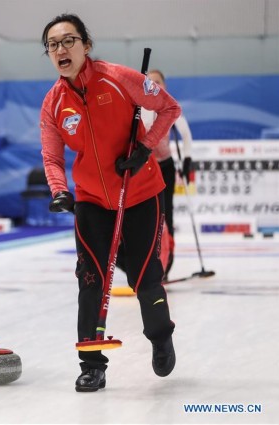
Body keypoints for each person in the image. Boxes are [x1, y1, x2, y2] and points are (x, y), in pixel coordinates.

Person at [39, 14, 180, 392]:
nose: (61, 49)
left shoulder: (120, 78)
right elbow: (52, 157)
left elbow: (170, 108)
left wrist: (145, 147)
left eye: (69, 40)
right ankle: (91, 362)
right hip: (90, 201)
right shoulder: (53, 103)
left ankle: (160, 335)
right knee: (90, 279)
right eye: (53, 45)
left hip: (139, 193)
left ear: (86, 44)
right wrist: (59, 190)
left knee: (145, 276)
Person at [141, 70, 193, 280]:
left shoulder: (170, 106)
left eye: (158, 82)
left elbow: (186, 135)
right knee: (146, 216)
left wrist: (187, 159)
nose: (155, 85)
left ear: (165, 85)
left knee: (166, 214)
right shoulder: (141, 107)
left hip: (166, 167)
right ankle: (146, 265)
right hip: (144, 168)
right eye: (150, 82)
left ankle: (166, 265)